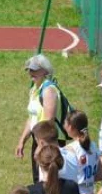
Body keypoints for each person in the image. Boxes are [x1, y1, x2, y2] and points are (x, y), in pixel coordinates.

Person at [15, 54, 69, 183]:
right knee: (38, 180)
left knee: (48, 181)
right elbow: (32, 117)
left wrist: (41, 146)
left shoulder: (48, 90)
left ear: (45, 70)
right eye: (29, 69)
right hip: (39, 140)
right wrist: (22, 141)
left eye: (34, 69)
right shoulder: (34, 89)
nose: (31, 72)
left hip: (49, 142)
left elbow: (48, 122)